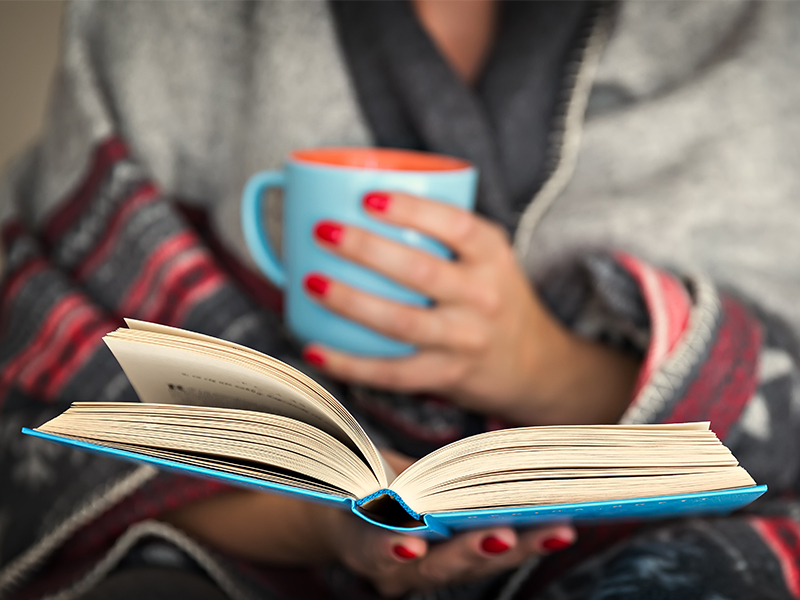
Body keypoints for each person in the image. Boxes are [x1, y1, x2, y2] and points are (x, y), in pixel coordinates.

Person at [1, 1, 799, 599]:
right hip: (253, 553)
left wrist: (544, 366)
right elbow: (54, 386)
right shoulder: (162, 24)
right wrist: (318, 515)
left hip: (670, 536)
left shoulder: (763, 38)